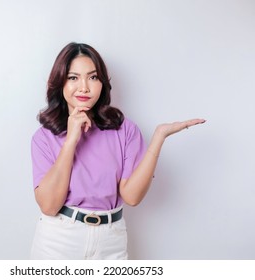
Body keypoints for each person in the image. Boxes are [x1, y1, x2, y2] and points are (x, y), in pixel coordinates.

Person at [30, 42, 205, 259]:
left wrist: (158, 138)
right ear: (60, 83)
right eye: (73, 77)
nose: (84, 87)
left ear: (103, 83)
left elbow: (131, 196)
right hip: (59, 240)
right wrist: (71, 140)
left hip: (110, 240)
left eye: (93, 77)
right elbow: (48, 205)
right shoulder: (44, 137)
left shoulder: (124, 130)